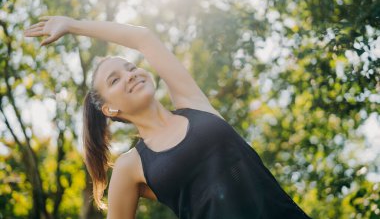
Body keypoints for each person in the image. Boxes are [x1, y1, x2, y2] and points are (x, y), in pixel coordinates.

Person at [24, 16, 312, 219]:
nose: (130, 74)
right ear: (110, 110)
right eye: (114, 80)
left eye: (130, 67)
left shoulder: (193, 104)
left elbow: (143, 38)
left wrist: (73, 24)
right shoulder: (131, 166)